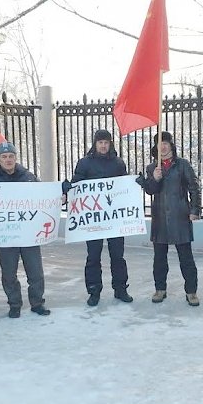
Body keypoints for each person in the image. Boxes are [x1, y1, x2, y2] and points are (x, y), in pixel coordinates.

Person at [0, 142, 51, 318]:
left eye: (11, 156)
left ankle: (37, 303)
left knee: (35, 271)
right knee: (8, 273)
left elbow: (44, 197)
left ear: (15, 157)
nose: (8, 160)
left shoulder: (28, 177)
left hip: (29, 234)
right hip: (7, 236)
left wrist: (60, 195)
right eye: (4, 157)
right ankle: (14, 304)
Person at [71, 129, 132, 306]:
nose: (103, 145)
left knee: (118, 256)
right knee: (93, 256)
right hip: (94, 219)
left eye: (106, 142)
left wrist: (136, 184)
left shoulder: (118, 163)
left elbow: (124, 185)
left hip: (114, 219)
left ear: (110, 143)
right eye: (100, 142)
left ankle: (120, 289)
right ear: (95, 144)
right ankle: (94, 291)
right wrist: (69, 186)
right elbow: (77, 184)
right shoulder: (84, 163)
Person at [141, 132, 201, 306]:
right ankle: (160, 289)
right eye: (160, 143)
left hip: (180, 216)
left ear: (171, 145)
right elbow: (150, 190)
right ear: (156, 147)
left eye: (166, 143)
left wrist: (194, 209)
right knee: (159, 258)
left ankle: (191, 291)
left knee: (186, 258)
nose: (163, 147)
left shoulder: (182, 165)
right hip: (159, 218)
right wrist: (155, 179)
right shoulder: (152, 167)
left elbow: (194, 187)